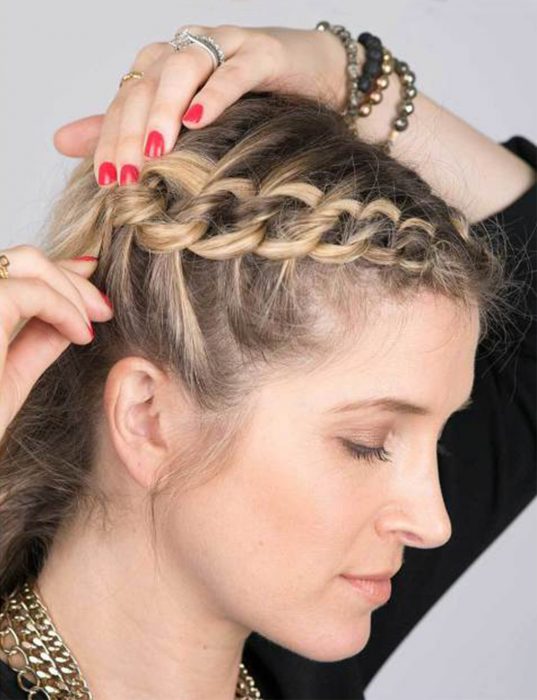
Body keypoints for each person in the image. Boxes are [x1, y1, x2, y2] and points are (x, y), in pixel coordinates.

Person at [0, 23, 535, 700]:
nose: (432, 522)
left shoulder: (296, 662)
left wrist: (346, 76)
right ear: (148, 417)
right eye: (366, 444)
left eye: (437, 442)